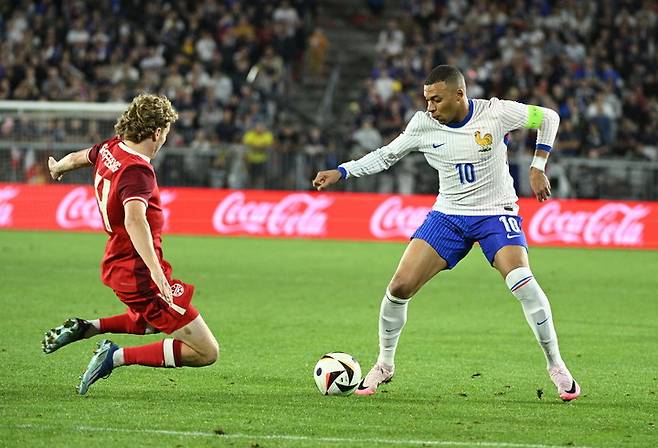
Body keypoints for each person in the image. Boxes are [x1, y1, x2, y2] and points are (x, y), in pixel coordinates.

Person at [312, 65, 581, 401]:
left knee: (521, 280)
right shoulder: (423, 124)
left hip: (495, 212)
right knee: (398, 287)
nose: (430, 107)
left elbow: (549, 118)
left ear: (459, 94)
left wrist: (538, 165)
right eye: (427, 100)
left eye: (436, 100)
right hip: (449, 215)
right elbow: (386, 156)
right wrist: (342, 172)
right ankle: (384, 363)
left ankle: (556, 366)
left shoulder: (496, 113)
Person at [43, 94, 219, 395]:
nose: (165, 137)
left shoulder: (111, 148)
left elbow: (77, 158)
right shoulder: (138, 171)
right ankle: (114, 356)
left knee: (153, 321)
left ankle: (89, 326)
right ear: (156, 132)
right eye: (166, 131)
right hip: (139, 270)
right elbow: (134, 220)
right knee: (206, 351)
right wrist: (157, 273)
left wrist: (58, 166)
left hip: (119, 262)